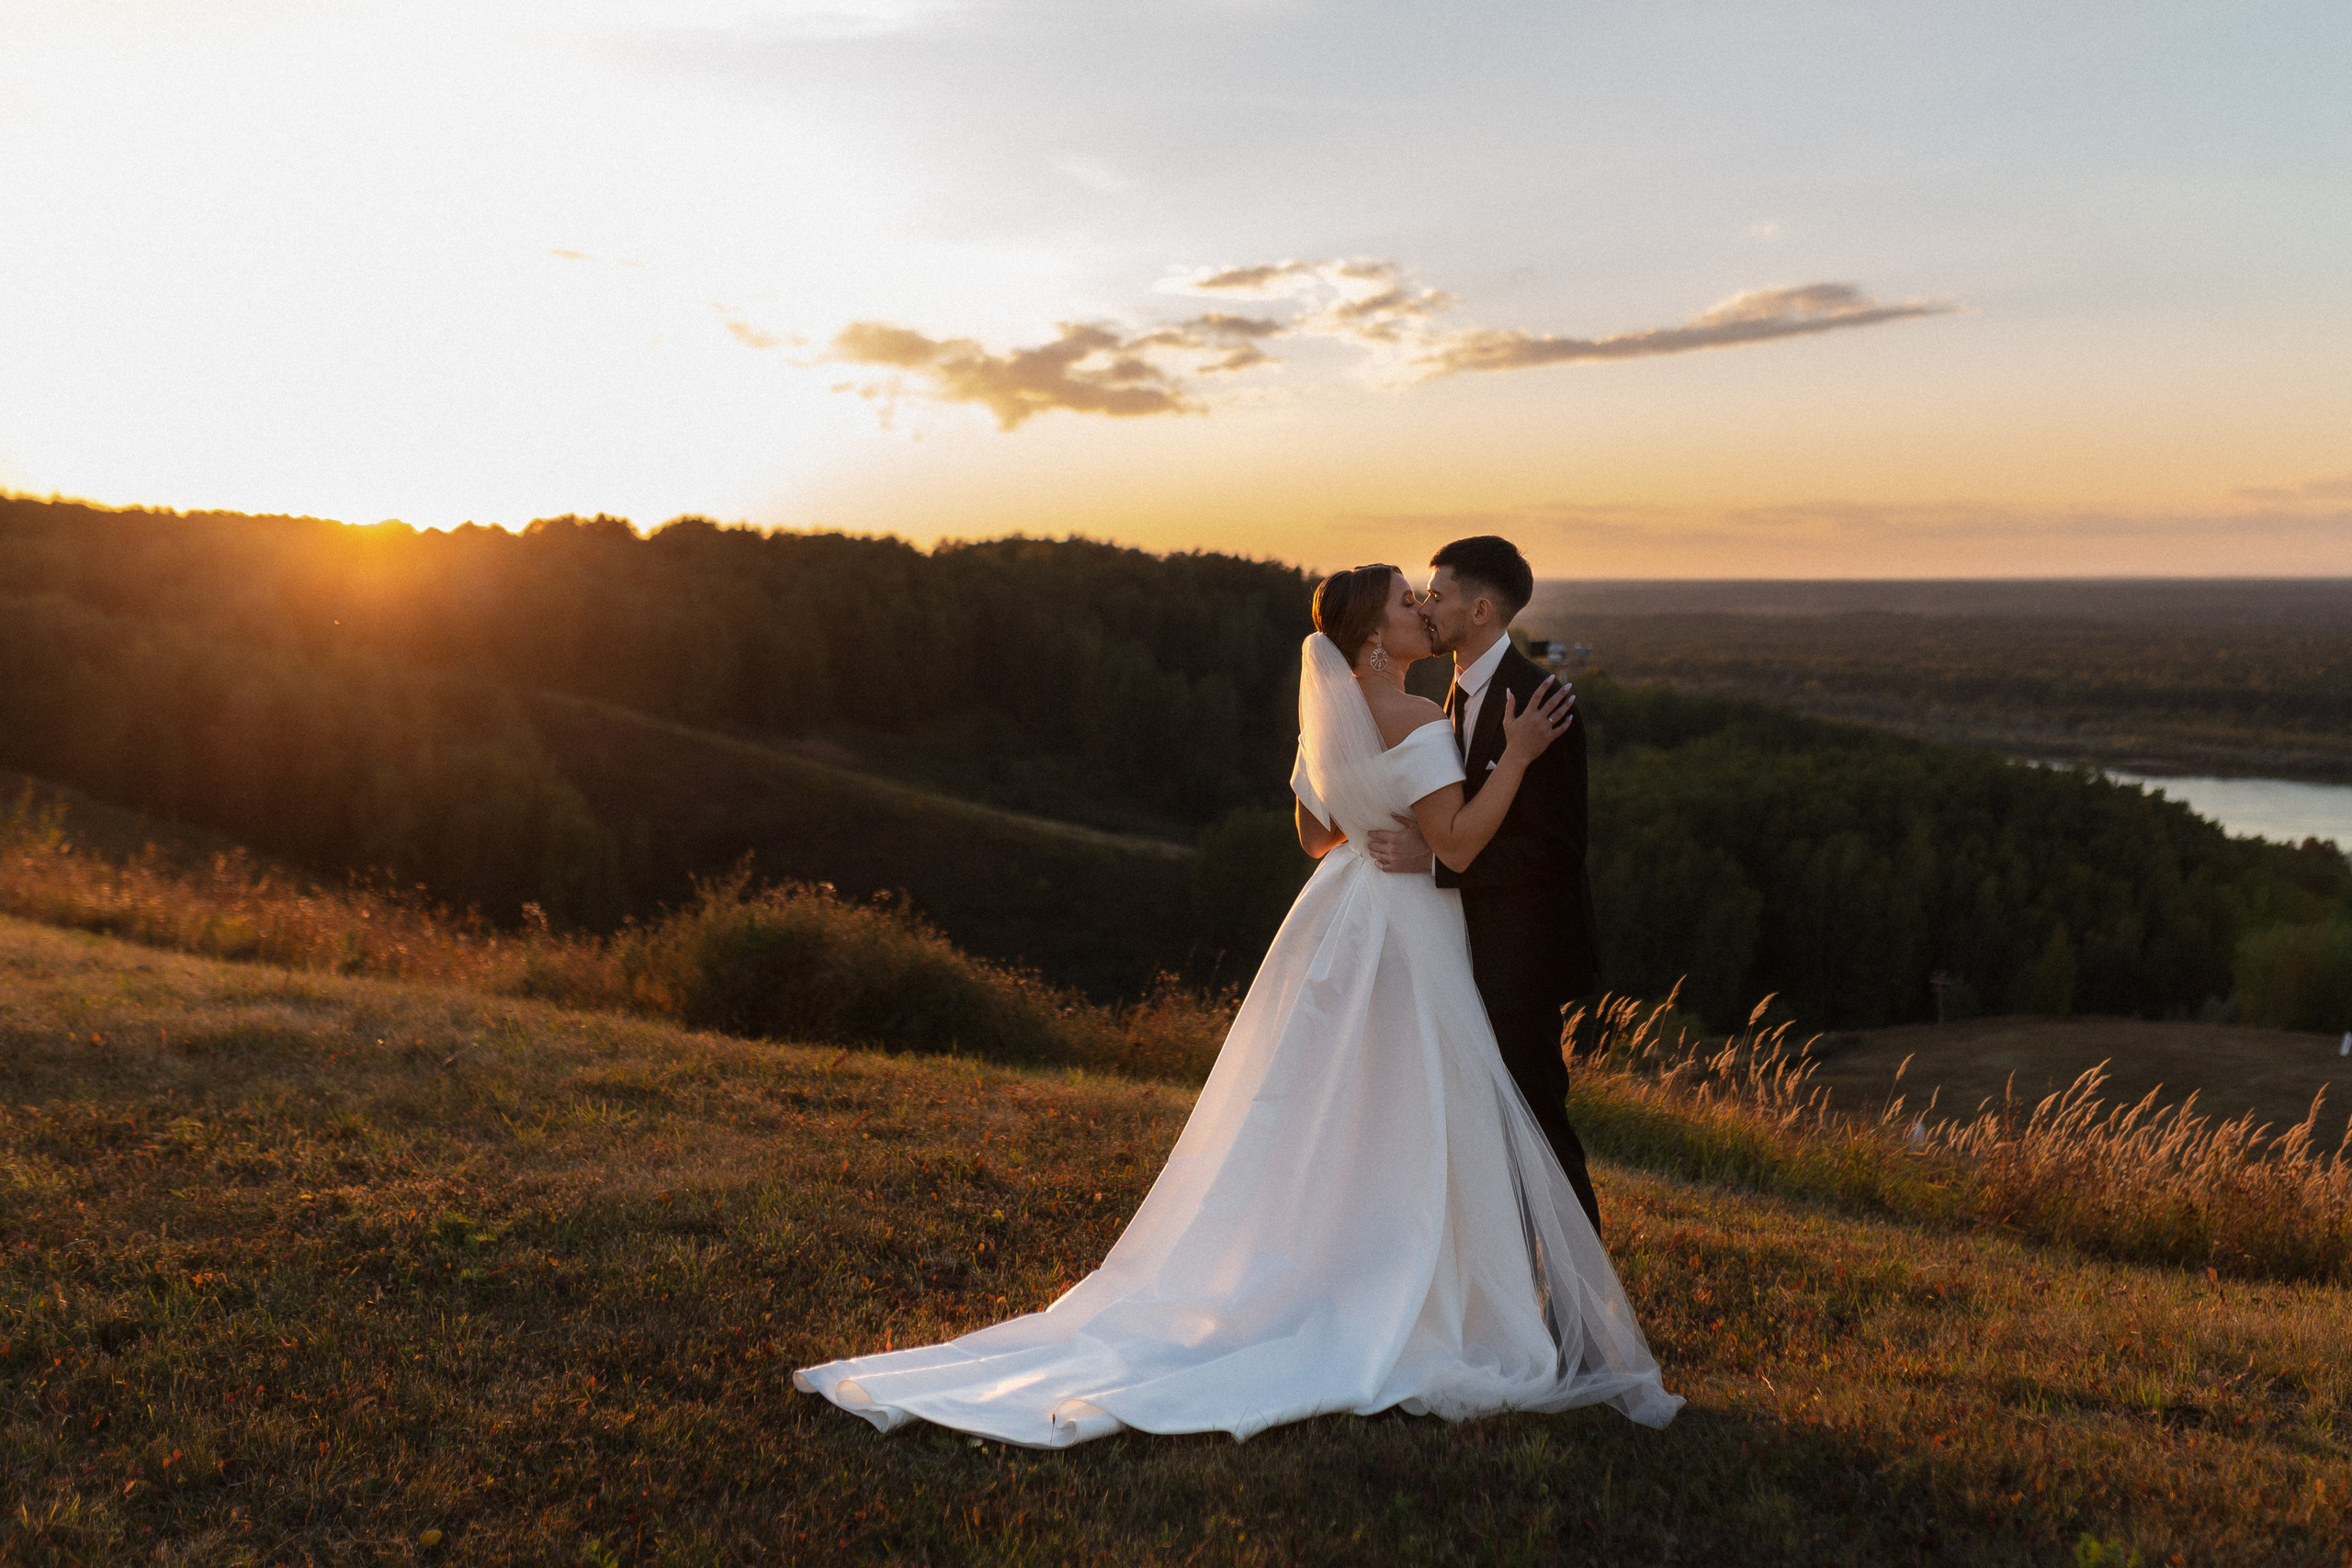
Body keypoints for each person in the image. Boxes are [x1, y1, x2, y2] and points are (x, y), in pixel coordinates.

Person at [793, 564, 1681, 1447]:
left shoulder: (1329, 718)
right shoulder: (1418, 717)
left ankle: (1344, 1262)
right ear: (1375, 639)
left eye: (1426, 599)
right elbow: (1454, 838)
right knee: (1415, 1104)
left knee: (1334, 1105)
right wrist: (1514, 759)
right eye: (1409, 605)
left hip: (1342, 913)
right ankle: (1418, 1285)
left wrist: (1369, 817)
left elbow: (1311, 832)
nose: (1422, 612)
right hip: (1409, 925)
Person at [1366, 536, 1604, 1230]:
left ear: (1481, 608)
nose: (1424, 605)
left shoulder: (1540, 700)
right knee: (1489, 1134)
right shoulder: (1456, 692)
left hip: (1522, 959)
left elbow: (1557, 850)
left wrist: (1437, 860)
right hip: (1472, 952)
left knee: (1542, 1134)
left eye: (1436, 595)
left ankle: (1580, 1323)